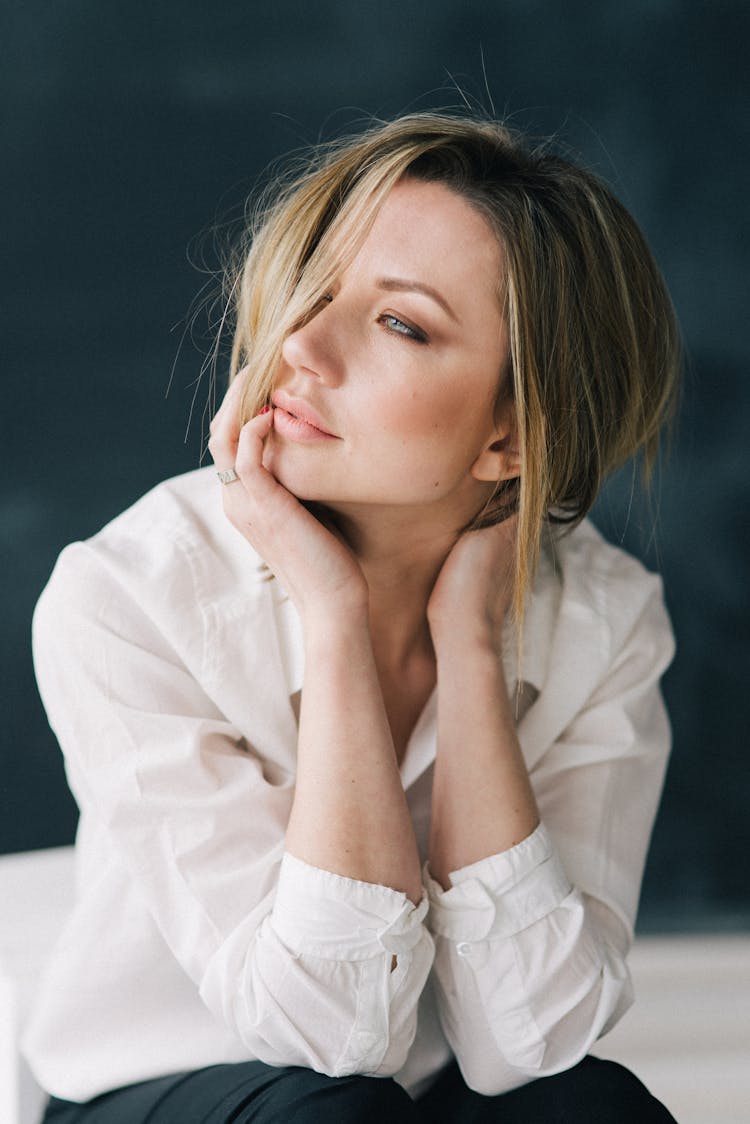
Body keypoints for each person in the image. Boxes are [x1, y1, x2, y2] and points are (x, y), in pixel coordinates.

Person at [27, 112, 680, 1122]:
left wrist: (469, 648)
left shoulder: (606, 620)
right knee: (327, 1114)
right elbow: (329, 1033)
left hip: (426, 1088)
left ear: (511, 434)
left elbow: (532, 1039)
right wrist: (332, 612)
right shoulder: (130, 592)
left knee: (593, 1107)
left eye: (401, 323)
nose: (300, 344)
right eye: (314, 289)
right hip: (170, 1082)